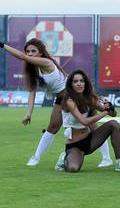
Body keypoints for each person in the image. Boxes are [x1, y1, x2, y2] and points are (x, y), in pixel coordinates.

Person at [0, 39, 112, 167]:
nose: (30, 54)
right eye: (28, 51)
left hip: (75, 96)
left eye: (33, 51)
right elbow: (32, 92)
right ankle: (36, 157)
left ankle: (106, 158)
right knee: (52, 127)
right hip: (61, 100)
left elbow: (21, 57)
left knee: (92, 126)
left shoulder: (46, 62)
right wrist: (28, 113)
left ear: (41, 53)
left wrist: (3, 45)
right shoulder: (34, 70)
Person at [54, 69, 120, 172]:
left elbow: (113, 114)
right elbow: (84, 122)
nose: (79, 84)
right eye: (75, 81)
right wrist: (105, 112)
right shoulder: (69, 101)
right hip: (75, 145)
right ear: (71, 85)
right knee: (73, 169)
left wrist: (109, 106)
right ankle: (64, 157)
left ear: (86, 83)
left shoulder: (89, 98)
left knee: (114, 124)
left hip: (90, 140)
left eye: (82, 81)